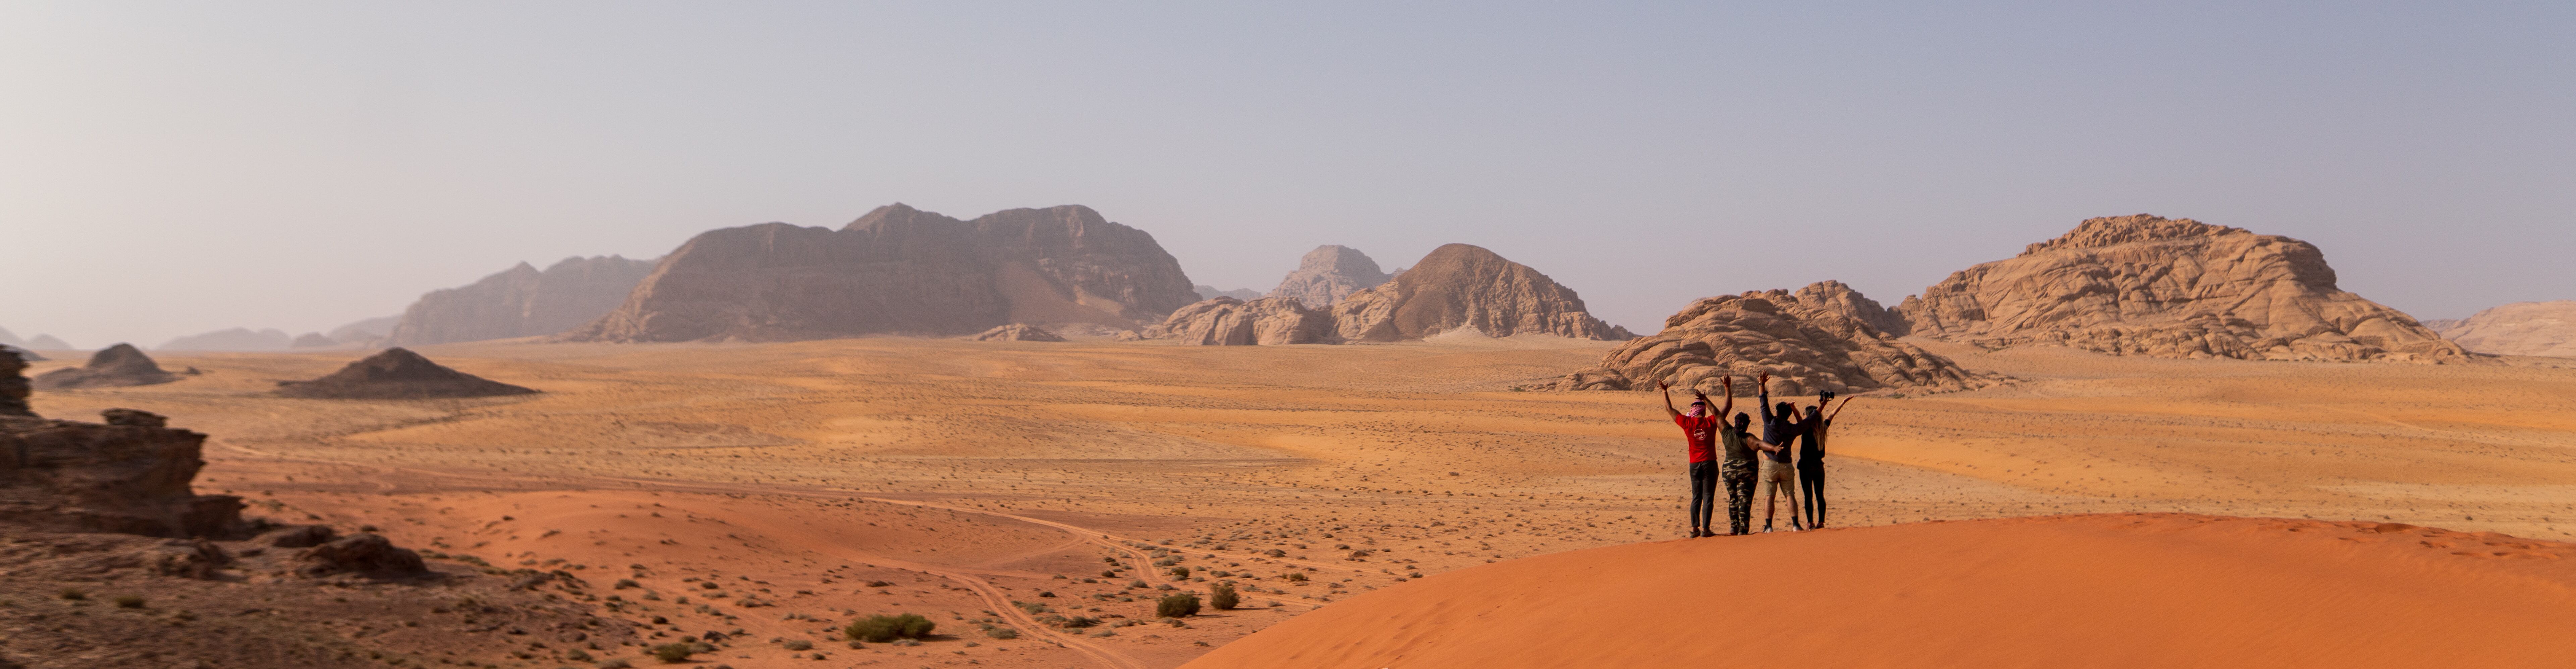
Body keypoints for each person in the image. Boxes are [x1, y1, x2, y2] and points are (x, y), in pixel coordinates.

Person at [1659, 379, 1731, 537]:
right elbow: (1726, 409)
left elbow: (1669, 409)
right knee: (1708, 497)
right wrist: (1727, 388)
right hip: (1710, 464)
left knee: (1696, 496)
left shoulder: (1687, 423)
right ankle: (1706, 530)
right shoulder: (1711, 422)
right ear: (1704, 412)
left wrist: (1665, 391)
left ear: (1693, 412)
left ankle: (1694, 529)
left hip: (1694, 465)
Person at [1754, 372, 1805, 532]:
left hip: (1769, 465)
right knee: (1790, 494)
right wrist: (1795, 410)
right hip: (1786, 466)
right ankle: (1796, 525)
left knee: (1770, 496)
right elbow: (1804, 425)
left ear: (1777, 413)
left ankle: (1769, 527)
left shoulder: (1770, 422)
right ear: (1788, 414)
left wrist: (1762, 384)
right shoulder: (1792, 429)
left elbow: (1763, 403)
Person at [1797, 391, 1854, 529]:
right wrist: (1842, 403)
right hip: (1819, 467)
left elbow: (1799, 418)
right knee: (1820, 495)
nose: (1804, 416)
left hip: (1806, 467)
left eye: (1806, 415)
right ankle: (1821, 522)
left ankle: (1810, 523)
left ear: (1809, 417)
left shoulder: (1806, 428)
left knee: (1808, 496)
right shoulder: (1823, 428)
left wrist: (1793, 408)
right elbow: (1832, 415)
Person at [1715, 377, 1760, 535]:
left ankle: (1734, 527)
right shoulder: (1749, 438)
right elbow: (1761, 445)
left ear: (1735, 422)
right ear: (1747, 425)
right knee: (1745, 500)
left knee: (1733, 498)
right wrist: (1775, 448)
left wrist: (1707, 399)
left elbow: (1717, 414)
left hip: (1729, 473)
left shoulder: (1727, 432)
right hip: (1747, 473)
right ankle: (1743, 529)